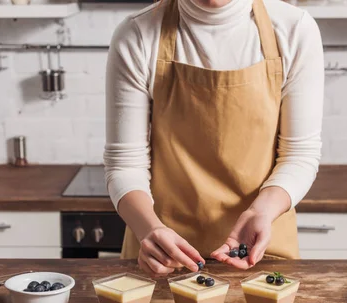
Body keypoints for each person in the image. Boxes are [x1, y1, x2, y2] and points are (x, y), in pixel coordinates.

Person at [104, 0, 323, 276]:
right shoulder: (137, 35)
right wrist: (150, 228)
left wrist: (263, 212)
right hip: (164, 255)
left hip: (262, 251)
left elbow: (299, 155)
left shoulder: (294, 30)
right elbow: (125, 163)